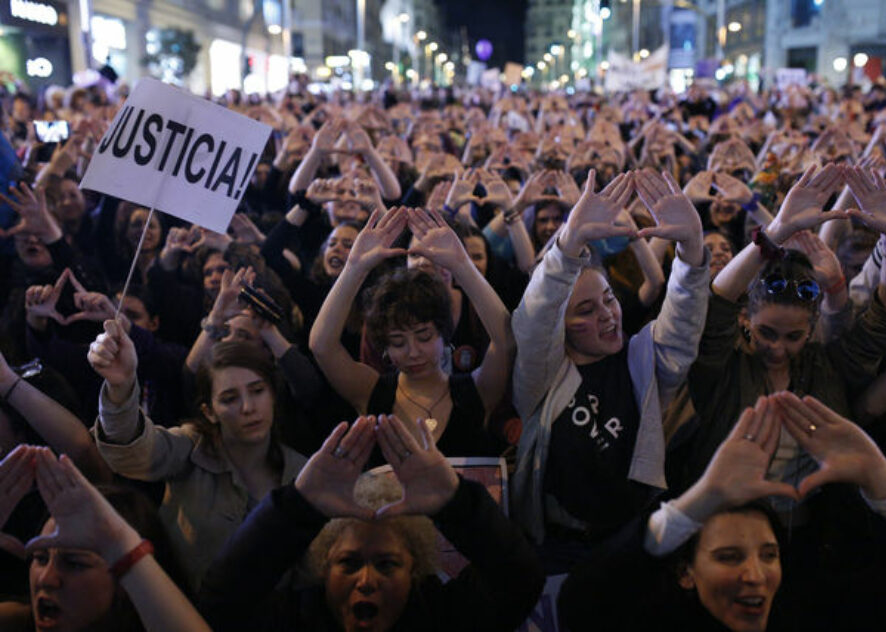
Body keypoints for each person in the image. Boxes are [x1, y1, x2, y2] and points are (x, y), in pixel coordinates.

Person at [559, 393, 886, 632]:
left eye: (769, 554)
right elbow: (583, 604)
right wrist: (698, 503)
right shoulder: (651, 624)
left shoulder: (811, 617)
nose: (755, 575)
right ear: (685, 573)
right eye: (728, 556)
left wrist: (884, 485)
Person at [511, 168, 709, 571]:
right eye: (586, 310)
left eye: (608, 299)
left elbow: (681, 328)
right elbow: (534, 318)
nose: (607, 315)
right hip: (563, 547)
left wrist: (691, 248)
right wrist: (567, 246)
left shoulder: (640, 362)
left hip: (635, 536)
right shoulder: (541, 379)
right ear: (560, 328)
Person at [679, 164, 886, 492]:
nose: (778, 348)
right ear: (745, 318)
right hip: (728, 516)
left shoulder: (827, 367)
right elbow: (718, 303)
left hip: (816, 530)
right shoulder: (721, 367)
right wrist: (775, 231)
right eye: (767, 333)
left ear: (813, 326)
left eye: (794, 337)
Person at [197, 414, 545, 631]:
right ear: (324, 565)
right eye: (349, 563)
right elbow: (220, 605)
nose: (365, 581)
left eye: (386, 564)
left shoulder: (443, 617)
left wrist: (458, 504)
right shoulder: (296, 618)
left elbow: (520, 580)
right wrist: (295, 507)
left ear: (414, 569)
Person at [88, 324, 307, 591]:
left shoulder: (302, 471)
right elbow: (133, 452)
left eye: (257, 391)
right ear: (209, 411)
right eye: (229, 398)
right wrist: (120, 388)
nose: (249, 408)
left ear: (273, 395)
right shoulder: (191, 447)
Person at [310, 206, 513, 458]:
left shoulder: (474, 391)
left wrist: (462, 265)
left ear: (444, 333)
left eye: (424, 336)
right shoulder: (372, 392)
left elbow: (505, 342)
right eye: (397, 342)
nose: (413, 352)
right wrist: (354, 268)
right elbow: (321, 346)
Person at [0, 445, 211, 632]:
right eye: (40, 558)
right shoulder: (14, 623)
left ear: (125, 585)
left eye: (74, 564)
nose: (46, 578)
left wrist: (122, 545)